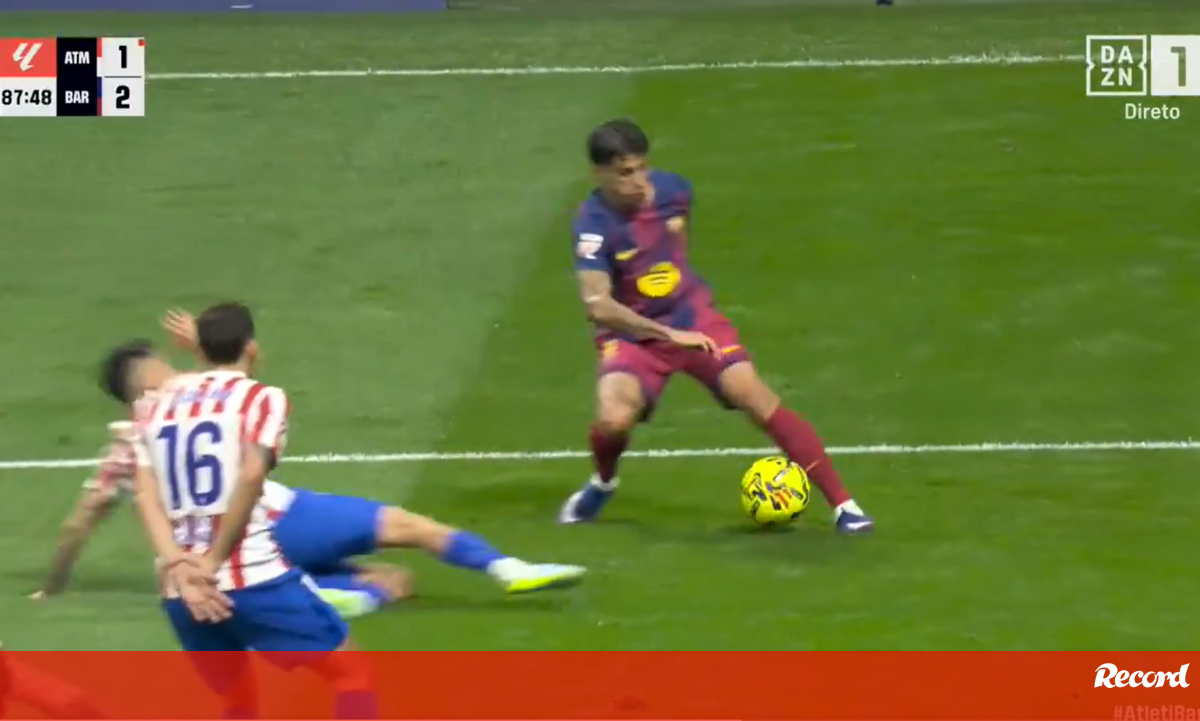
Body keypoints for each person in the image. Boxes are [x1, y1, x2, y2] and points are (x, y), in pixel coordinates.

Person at [561, 119, 873, 534]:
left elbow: (671, 247)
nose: (637, 181)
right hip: (634, 334)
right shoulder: (592, 226)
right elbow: (599, 306)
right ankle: (603, 483)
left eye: (641, 168)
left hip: (691, 317)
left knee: (751, 393)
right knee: (614, 419)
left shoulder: (673, 191)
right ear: (597, 174)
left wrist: (680, 309)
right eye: (624, 173)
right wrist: (668, 335)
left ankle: (845, 506)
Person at [130, 301, 376, 718]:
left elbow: (144, 495)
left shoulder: (153, 405)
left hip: (180, 591)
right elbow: (251, 475)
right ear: (252, 347)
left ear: (200, 348)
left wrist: (180, 566)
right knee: (352, 675)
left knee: (238, 702)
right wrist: (213, 561)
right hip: (253, 578)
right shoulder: (263, 399)